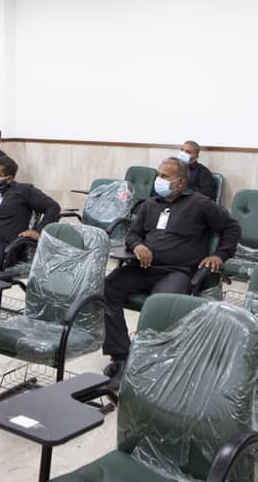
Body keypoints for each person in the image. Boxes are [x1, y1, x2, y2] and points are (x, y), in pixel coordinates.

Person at [102, 157, 241, 385]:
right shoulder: (150, 204)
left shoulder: (200, 204)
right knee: (107, 288)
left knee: (160, 306)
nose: (159, 179)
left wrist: (219, 255)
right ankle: (121, 355)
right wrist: (138, 246)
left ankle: (150, 362)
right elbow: (133, 234)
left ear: (181, 182)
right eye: (159, 174)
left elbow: (232, 227)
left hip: (176, 271)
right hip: (143, 267)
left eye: (165, 176)